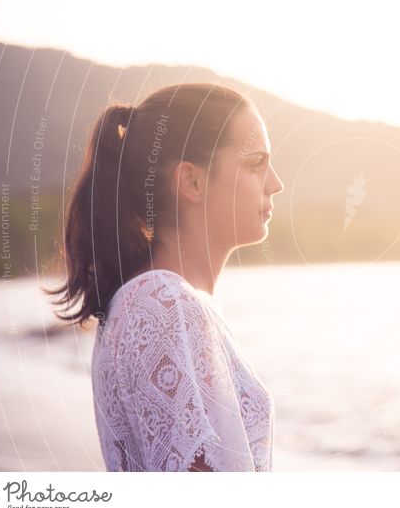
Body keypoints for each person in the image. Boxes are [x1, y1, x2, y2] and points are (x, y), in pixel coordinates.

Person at [44, 83, 284, 471]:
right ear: (191, 181)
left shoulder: (163, 301)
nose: (276, 183)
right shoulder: (160, 304)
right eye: (256, 163)